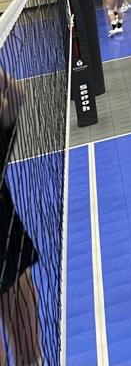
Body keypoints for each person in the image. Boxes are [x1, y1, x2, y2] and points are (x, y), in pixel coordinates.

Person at [0, 68, 43, 366]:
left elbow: (15, 95)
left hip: (7, 247)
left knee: (29, 352)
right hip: (8, 248)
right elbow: (15, 95)